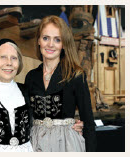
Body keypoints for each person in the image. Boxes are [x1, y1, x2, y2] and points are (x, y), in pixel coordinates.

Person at [25, 15, 96, 152]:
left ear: (64, 44)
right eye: (46, 38)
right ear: (39, 40)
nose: (50, 44)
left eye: (57, 40)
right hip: (35, 143)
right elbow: (26, 117)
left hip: (66, 144)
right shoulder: (31, 77)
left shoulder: (76, 76)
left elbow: (89, 124)